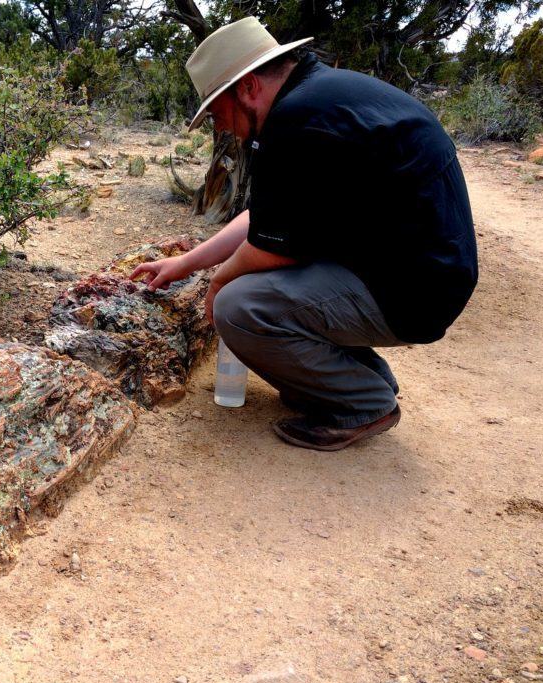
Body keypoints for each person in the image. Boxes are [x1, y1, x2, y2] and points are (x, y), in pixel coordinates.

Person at [130, 16, 478, 451]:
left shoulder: (298, 120)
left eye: (218, 112)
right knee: (255, 289)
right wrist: (187, 262)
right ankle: (356, 379)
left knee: (241, 306)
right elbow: (268, 217)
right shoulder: (323, 97)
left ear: (248, 87)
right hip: (421, 275)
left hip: (411, 291)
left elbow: (271, 250)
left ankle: (364, 402)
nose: (222, 128)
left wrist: (218, 283)